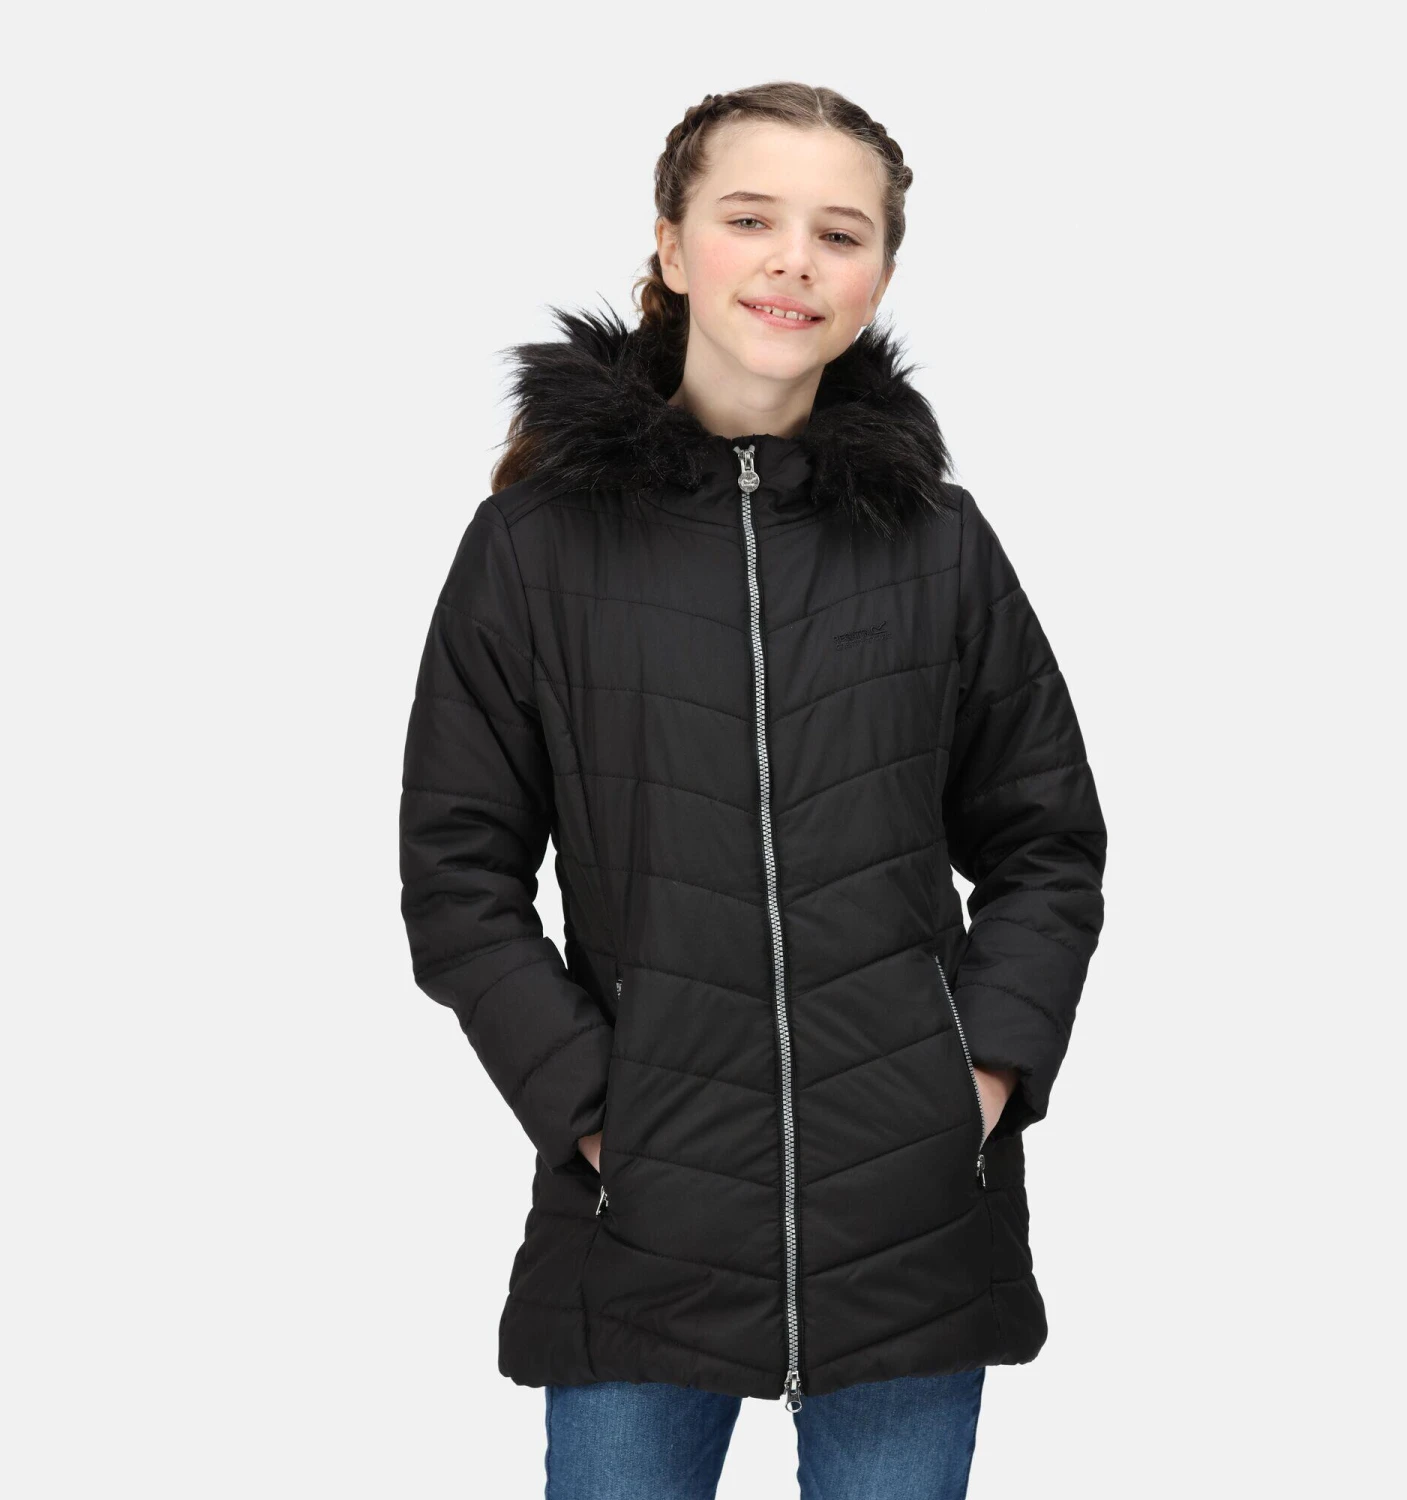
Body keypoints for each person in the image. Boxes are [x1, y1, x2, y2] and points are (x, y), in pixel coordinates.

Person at [398, 80, 1107, 1500]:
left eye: (840, 233)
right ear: (671, 247)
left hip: (910, 1227)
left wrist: (973, 1087)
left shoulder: (939, 545)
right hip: (641, 1227)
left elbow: (1047, 845)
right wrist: (598, 1115)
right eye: (749, 219)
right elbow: (460, 880)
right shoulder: (532, 549)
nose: (794, 260)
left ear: (879, 276)